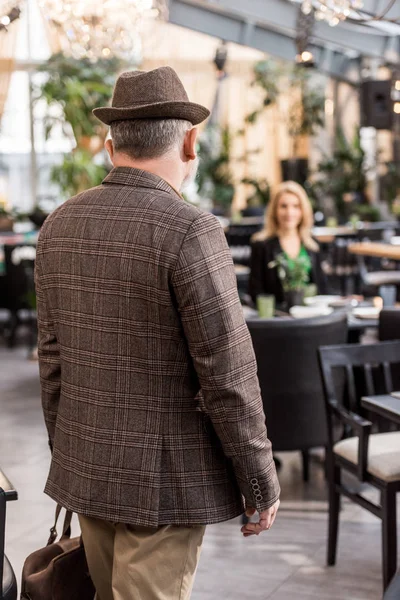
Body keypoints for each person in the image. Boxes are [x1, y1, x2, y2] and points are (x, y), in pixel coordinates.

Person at [35, 66, 280, 600]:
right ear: (190, 141)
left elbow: (51, 360)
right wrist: (260, 481)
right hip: (164, 484)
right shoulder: (192, 229)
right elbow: (228, 375)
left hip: (90, 467)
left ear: (109, 145)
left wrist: (74, 453)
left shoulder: (59, 225)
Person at [248, 180, 325, 306]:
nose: (290, 212)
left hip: (311, 316)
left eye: (296, 206)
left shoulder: (312, 245)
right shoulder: (261, 245)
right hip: (279, 319)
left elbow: (322, 289)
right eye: (283, 206)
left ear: (303, 210)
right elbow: (255, 292)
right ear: (274, 210)